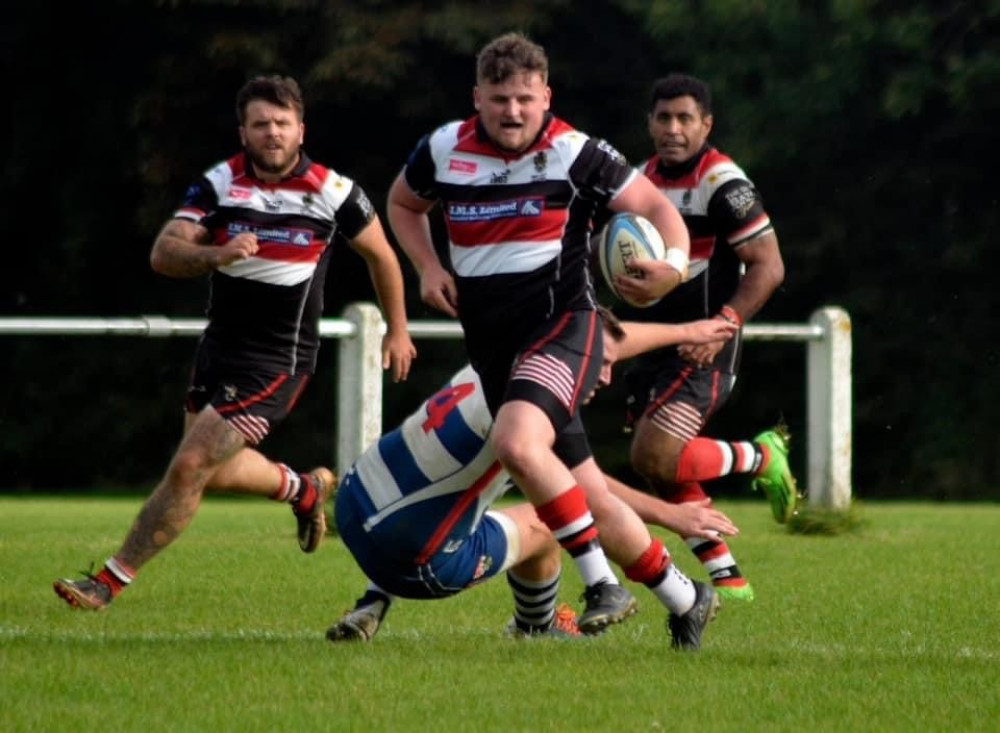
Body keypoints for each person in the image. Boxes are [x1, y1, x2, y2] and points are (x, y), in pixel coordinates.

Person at [53, 74, 417, 610]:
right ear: (243, 131)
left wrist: (399, 330)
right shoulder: (220, 184)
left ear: (300, 129)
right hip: (219, 349)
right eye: (260, 124)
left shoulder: (331, 190)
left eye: (282, 123)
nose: (272, 133)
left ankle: (106, 583)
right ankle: (304, 489)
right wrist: (213, 256)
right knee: (213, 470)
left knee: (188, 467)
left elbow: (382, 256)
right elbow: (163, 253)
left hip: (278, 360)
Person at [386, 32, 707, 636]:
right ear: (477, 97)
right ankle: (685, 597)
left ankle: (601, 583)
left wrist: (674, 265)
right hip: (493, 345)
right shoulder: (442, 149)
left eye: (525, 99)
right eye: (500, 98)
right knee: (589, 491)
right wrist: (428, 267)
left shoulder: (575, 152)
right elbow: (403, 204)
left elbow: (659, 209)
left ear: (546, 97)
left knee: (516, 443)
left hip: (565, 327)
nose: (512, 111)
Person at [328, 310, 739, 649]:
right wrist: (672, 515)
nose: (605, 376)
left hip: (352, 507)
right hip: (415, 563)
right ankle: (540, 628)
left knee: (436, 495)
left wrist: (686, 329)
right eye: (603, 365)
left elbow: (602, 340)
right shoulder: (534, 409)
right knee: (557, 515)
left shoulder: (495, 358)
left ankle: (372, 600)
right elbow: (594, 494)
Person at [603, 73, 797, 602]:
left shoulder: (724, 184)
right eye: (663, 118)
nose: (673, 128)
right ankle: (728, 576)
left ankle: (759, 457)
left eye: (685, 118)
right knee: (655, 466)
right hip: (654, 339)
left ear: (705, 124)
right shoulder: (640, 180)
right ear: (649, 123)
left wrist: (724, 326)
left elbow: (769, 265)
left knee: (657, 454)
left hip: (705, 344)